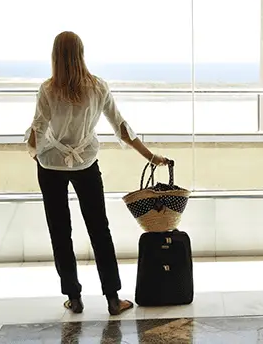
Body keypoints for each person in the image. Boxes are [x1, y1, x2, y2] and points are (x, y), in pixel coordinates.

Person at [25, 31, 169, 316]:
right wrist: (150, 156)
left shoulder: (48, 89)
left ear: (55, 56)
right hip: (86, 164)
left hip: (51, 164)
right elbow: (122, 127)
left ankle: (74, 298)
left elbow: (38, 130)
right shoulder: (98, 87)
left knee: (60, 231)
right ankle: (113, 299)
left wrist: (34, 153)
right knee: (99, 230)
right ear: (81, 53)